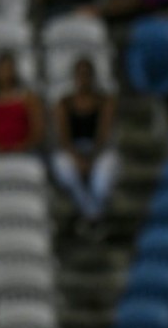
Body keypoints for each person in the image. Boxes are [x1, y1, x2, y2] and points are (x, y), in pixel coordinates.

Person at [51, 57, 119, 235]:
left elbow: (104, 135)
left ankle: (87, 217)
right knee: (65, 170)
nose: (84, 78)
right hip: (72, 150)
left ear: (93, 77)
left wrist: (92, 159)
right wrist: (78, 159)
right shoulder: (64, 103)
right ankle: (94, 216)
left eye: (87, 74)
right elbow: (64, 138)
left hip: (98, 149)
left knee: (101, 180)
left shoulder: (105, 101)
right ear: (74, 78)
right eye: (80, 74)